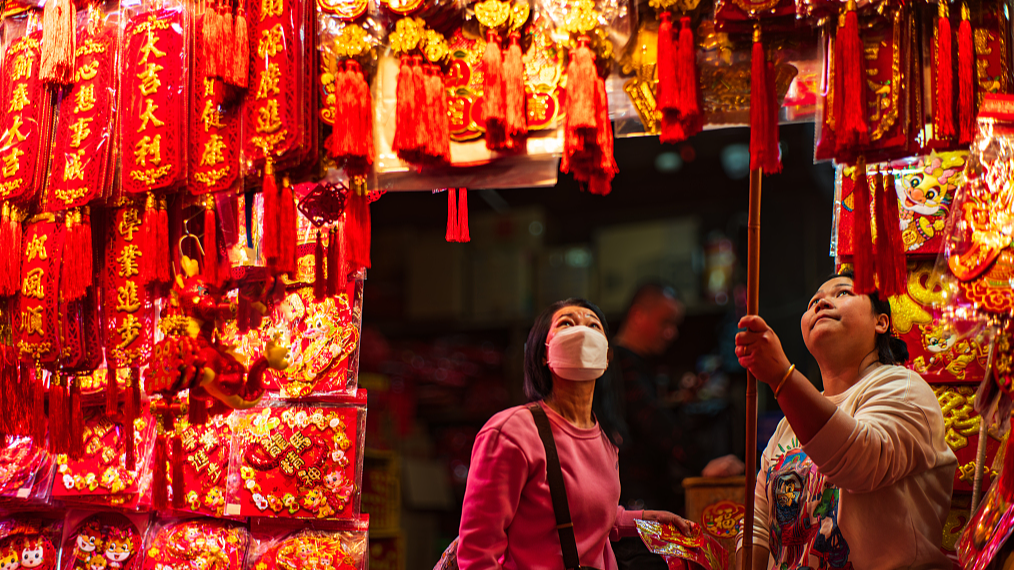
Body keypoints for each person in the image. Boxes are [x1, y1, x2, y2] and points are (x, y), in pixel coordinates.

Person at [734, 271, 957, 569]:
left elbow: (860, 462)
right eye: (814, 300)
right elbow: (758, 525)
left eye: (842, 293)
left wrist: (781, 377)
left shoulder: (903, 388)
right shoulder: (788, 425)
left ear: (881, 322)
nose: (822, 302)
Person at [457, 298, 689, 570]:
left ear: (607, 354)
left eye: (593, 325)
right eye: (566, 323)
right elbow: (477, 551)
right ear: (543, 352)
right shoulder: (510, 433)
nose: (582, 331)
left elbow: (587, 514)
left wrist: (644, 519)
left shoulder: (604, 436)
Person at [594, 283, 744, 570]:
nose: (671, 333)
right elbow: (653, 422)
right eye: (665, 323)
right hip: (632, 501)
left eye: (674, 325)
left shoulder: (636, 365)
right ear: (638, 315)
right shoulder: (620, 365)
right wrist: (703, 463)